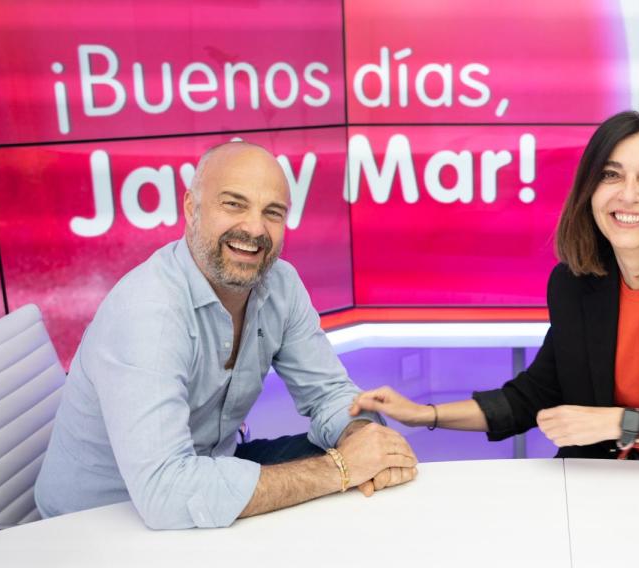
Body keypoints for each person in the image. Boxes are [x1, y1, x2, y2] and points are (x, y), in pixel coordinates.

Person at [351, 111, 639, 473]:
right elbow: (536, 393)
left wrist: (625, 424)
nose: (628, 194)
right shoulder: (575, 284)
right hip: (605, 483)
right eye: (610, 175)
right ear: (590, 191)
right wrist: (427, 414)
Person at [35, 142, 418, 529]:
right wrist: (340, 469)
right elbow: (166, 493)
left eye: (272, 213)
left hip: (208, 466)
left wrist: (363, 442)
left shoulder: (280, 284)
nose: (254, 229)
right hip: (105, 520)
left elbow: (331, 395)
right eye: (233, 204)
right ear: (191, 209)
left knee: (371, 473)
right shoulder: (148, 310)